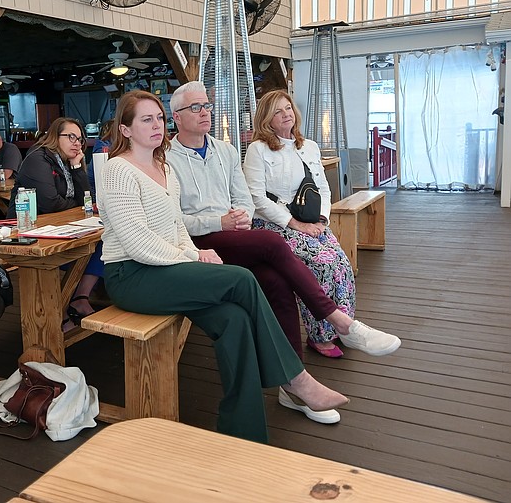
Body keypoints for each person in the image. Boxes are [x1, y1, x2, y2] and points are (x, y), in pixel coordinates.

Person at [99, 89, 349, 443]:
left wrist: (193, 251)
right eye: (145, 119)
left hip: (166, 269)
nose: (156, 126)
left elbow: (175, 228)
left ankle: (243, 433)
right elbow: (137, 242)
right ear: (125, 130)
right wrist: (193, 256)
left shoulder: (163, 167)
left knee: (234, 320)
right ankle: (296, 379)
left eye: (158, 118)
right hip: (132, 275)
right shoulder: (118, 170)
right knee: (242, 280)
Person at [167, 82, 401, 369]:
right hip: (199, 239)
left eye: (207, 105)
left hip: (236, 234)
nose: (205, 112)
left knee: (280, 281)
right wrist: (221, 220)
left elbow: (246, 199)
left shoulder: (225, 151)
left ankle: (293, 376)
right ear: (176, 116)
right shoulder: (165, 158)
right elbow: (173, 218)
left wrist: (242, 217)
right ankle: (339, 321)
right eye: (195, 107)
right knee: (274, 243)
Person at [243, 89, 401, 358]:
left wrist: (322, 219)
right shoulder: (258, 150)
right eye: (278, 111)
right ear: (266, 119)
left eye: (288, 108)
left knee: (341, 264)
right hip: (275, 225)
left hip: (312, 222)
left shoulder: (309, 146)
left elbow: (323, 189)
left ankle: (345, 330)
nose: (285, 115)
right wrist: (295, 223)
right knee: (322, 264)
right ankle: (320, 335)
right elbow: (256, 198)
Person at [8, 117, 100, 328]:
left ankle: (78, 299)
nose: (77, 143)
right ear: (54, 137)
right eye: (70, 137)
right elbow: (50, 203)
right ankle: (56, 313)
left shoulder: (68, 162)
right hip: (26, 231)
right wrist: (74, 202)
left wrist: (77, 168)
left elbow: (85, 199)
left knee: (102, 243)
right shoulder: (37, 158)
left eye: (80, 138)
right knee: (87, 250)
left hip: (57, 227)